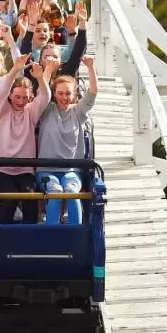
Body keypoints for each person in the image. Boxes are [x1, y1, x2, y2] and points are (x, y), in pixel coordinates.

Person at [0, 55, 55, 223]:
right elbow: (1, 91)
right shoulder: (1, 110)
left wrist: (40, 77)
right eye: (17, 97)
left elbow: (45, 97)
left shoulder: (31, 113)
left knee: (30, 197)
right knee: (11, 197)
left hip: (23, 169)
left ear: (30, 98)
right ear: (10, 96)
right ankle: (1, 234)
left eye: (25, 98)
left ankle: (30, 235)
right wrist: (15, 69)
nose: (21, 101)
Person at [37, 57, 98, 225]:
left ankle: (76, 234)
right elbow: (42, 94)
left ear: (74, 94)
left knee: (71, 190)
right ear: (54, 93)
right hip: (47, 170)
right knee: (55, 191)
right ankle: (52, 232)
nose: (64, 97)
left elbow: (92, 93)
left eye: (68, 93)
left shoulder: (78, 112)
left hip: (71, 170)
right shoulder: (46, 110)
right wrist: (48, 69)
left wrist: (90, 68)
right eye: (60, 93)